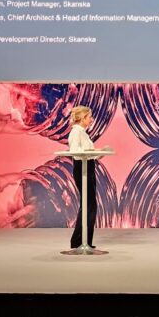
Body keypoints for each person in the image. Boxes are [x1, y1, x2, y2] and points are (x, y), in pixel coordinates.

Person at [67, 105, 98, 249]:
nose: (91, 120)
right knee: (88, 205)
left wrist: (97, 154)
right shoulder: (76, 132)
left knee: (90, 205)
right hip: (82, 168)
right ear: (82, 118)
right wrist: (92, 153)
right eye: (89, 117)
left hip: (88, 166)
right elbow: (75, 151)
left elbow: (86, 151)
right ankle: (79, 240)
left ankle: (83, 240)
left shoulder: (82, 132)